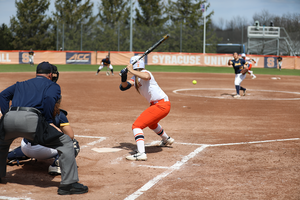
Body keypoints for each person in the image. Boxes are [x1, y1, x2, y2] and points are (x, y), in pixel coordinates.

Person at [0, 62, 88, 195]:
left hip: (10, 116)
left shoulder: (20, 84)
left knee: (2, 144)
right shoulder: (53, 85)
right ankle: (68, 184)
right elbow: (49, 99)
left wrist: (6, 113)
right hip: (31, 119)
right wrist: (48, 121)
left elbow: (2, 95)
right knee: (66, 143)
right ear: (51, 75)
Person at [119, 56, 174, 161]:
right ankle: (167, 139)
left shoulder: (146, 73)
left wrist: (130, 70)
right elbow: (123, 87)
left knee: (137, 126)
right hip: (160, 105)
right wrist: (123, 77)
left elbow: (146, 76)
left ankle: (141, 153)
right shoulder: (135, 78)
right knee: (152, 124)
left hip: (161, 105)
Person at [7, 107, 80, 176]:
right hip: (44, 151)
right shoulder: (59, 114)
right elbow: (70, 136)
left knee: (30, 141)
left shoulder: (31, 112)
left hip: (25, 148)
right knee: (73, 143)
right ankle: (57, 165)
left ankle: (8, 156)